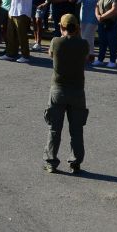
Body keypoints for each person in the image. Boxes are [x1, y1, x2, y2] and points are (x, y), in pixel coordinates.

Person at [45, 13, 90, 174]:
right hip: (77, 90)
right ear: (77, 28)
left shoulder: (56, 42)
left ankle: (51, 162)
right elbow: (86, 57)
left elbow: (51, 54)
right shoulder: (83, 44)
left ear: (61, 27)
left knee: (54, 128)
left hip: (58, 89)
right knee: (77, 130)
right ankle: (75, 162)